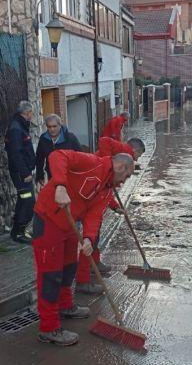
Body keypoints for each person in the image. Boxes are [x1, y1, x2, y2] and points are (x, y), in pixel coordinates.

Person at [30, 149, 135, 346]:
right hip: (49, 218)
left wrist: (88, 238)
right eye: (126, 176)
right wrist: (60, 185)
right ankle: (49, 328)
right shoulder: (91, 163)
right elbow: (57, 155)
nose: (124, 181)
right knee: (50, 275)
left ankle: (65, 306)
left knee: (69, 268)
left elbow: (94, 215)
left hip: (70, 224)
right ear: (120, 166)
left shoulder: (106, 189)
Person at [74, 137, 146, 293]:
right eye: (138, 156)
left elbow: (106, 191)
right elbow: (103, 140)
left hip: (96, 198)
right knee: (90, 240)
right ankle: (83, 279)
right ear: (135, 151)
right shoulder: (124, 152)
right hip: (86, 202)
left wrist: (115, 207)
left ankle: (94, 263)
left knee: (93, 238)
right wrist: (105, 163)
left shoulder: (121, 163)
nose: (136, 160)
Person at [5, 100, 37, 243]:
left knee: (22, 201)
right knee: (28, 201)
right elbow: (15, 154)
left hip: (22, 172)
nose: (32, 115)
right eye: (31, 113)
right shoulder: (16, 129)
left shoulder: (19, 125)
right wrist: (25, 174)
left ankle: (16, 231)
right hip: (21, 175)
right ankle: (20, 232)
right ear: (27, 113)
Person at [34, 114, 82, 185]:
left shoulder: (70, 138)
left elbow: (80, 156)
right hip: (52, 175)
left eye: (54, 126)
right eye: (49, 127)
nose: (52, 129)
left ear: (60, 125)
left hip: (69, 174)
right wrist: (40, 175)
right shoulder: (43, 139)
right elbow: (39, 158)